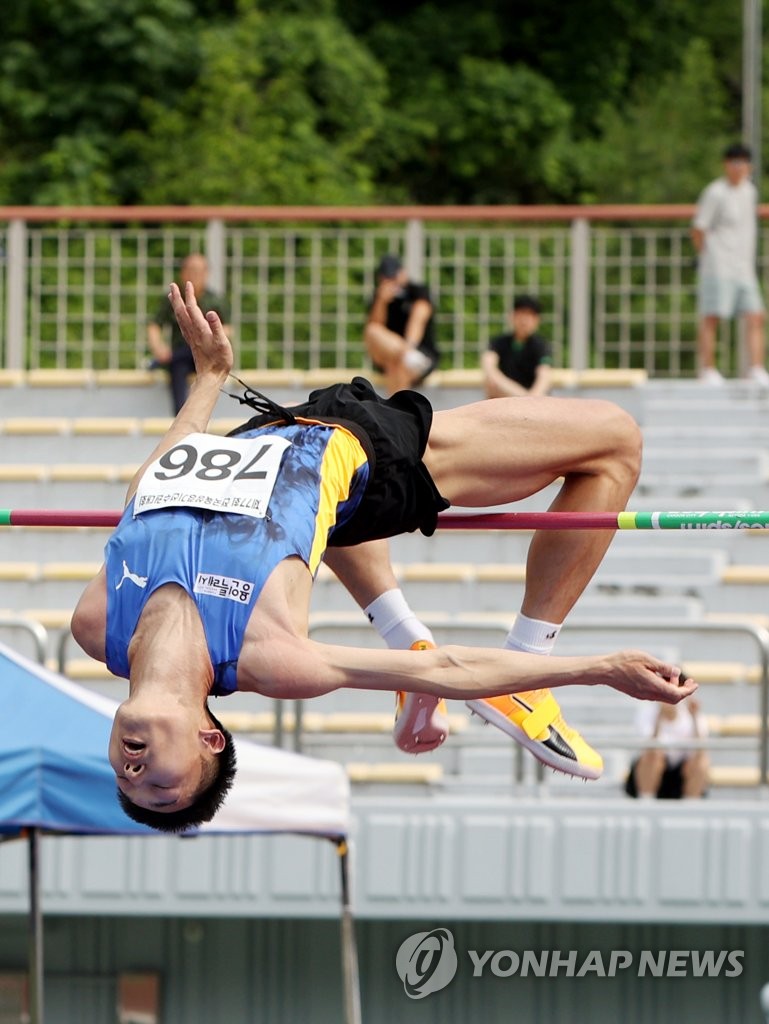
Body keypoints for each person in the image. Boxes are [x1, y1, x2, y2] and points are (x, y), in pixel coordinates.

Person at [71, 282, 697, 832]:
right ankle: (530, 655)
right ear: (209, 739)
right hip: (369, 452)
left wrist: (208, 381)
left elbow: (147, 494)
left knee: (322, 524)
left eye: (127, 785)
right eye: (162, 787)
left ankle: (404, 630)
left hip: (270, 432)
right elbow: (447, 672)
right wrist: (603, 667)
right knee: (615, 441)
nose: (134, 775)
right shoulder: (271, 657)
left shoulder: (99, 625)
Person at [691, 143, 769, 387]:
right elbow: (698, 228)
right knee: (712, 316)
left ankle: (756, 368)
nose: (739, 168)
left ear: (750, 166)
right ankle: (708, 369)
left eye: (743, 163)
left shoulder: (750, 192)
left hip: (743, 266)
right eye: (734, 162)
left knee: (756, 316)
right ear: (726, 165)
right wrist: (706, 254)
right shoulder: (715, 192)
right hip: (718, 265)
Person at [147, 253, 232, 414]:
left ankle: (163, 361)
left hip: (209, 354)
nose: (195, 276)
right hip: (182, 359)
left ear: (206, 274)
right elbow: (154, 325)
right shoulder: (174, 299)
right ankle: (180, 415)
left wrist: (212, 337)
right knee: (178, 364)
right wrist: (158, 347)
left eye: (199, 271)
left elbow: (228, 329)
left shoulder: (215, 300)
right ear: (183, 273)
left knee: (191, 348)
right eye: (191, 270)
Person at [364, 254, 440, 394]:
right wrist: (382, 302)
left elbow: (419, 319)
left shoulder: (417, 291)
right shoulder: (378, 297)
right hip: (400, 356)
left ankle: (407, 355)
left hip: (420, 352)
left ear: (402, 273)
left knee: (398, 366)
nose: (392, 282)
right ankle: (408, 355)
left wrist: (408, 347)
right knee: (373, 330)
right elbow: (374, 332)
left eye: (394, 277)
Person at [624, 695, 709, 799]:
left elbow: (700, 752)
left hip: (680, 775)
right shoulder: (647, 712)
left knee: (701, 761)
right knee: (653, 757)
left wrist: (694, 717)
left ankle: (691, 805)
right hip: (652, 773)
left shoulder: (693, 714)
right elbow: (649, 750)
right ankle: (646, 802)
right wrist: (659, 718)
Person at [482, 295, 553, 398]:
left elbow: (544, 375)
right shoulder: (499, 342)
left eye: (529, 316)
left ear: (537, 320)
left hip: (534, 398)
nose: (524, 320)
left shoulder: (542, 345)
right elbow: (489, 368)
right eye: (521, 314)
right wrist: (523, 397)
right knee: (491, 384)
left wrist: (532, 399)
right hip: (508, 396)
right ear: (513, 316)